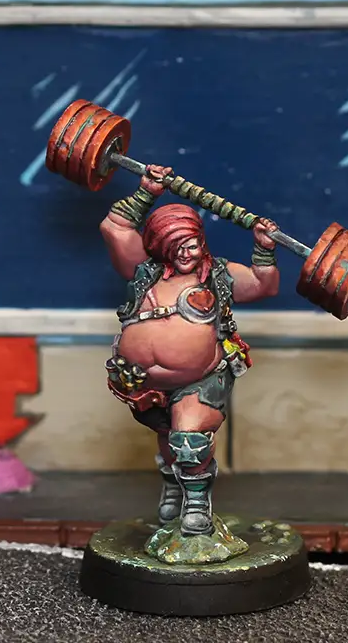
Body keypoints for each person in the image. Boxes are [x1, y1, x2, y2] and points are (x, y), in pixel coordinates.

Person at [99, 164, 279, 537]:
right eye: (176, 246)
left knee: (190, 437)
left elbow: (263, 285)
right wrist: (146, 192)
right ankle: (172, 483)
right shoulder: (145, 273)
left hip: (202, 378)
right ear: (159, 246)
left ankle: (196, 504)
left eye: (191, 244)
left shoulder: (218, 277)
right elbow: (115, 227)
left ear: (202, 241)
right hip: (142, 385)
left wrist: (263, 248)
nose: (186, 253)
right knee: (168, 438)